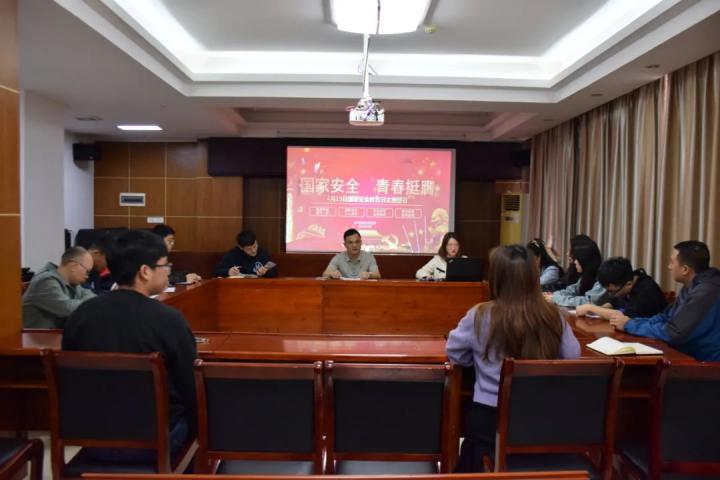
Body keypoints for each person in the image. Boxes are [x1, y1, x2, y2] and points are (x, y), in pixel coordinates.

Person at [62, 229, 197, 461]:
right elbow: (190, 386)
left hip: (92, 438)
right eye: (165, 266)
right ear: (145, 271)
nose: (168, 271)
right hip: (156, 440)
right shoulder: (169, 320)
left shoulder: (80, 316)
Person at [446, 245, 580, 472]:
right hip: (545, 419)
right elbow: (572, 357)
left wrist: (479, 360)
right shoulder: (554, 315)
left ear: (495, 278)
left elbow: (454, 353)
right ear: (533, 278)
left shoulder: (480, 314)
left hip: (490, 422)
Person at [608, 241, 720, 361]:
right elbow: (665, 317)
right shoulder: (692, 285)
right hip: (685, 354)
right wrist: (630, 322)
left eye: (672, 262)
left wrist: (629, 325)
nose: (669, 267)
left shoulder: (706, 291)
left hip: (705, 363)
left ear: (685, 269)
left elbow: (673, 333)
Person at [22, 247, 96, 328]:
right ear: (74, 266)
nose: (87, 276)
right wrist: (90, 303)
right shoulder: (45, 281)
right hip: (32, 335)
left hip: (51, 334)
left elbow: (90, 295)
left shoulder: (72, 282)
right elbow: (67, 309)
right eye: (87, 272)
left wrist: (90, 302)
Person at [576, 257, 666, 319]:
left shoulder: (647, 290)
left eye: (612, 292)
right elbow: (614, 302)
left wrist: (591, 308)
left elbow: (625, 317)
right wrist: (600, 309)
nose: (610, 295)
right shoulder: (627, 280)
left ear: (629, 284)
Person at [546, 238, 606, 307]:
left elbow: (588, 302)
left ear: (584, 259)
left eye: (576, 258)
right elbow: (571, 290)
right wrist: (554, 295)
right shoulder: (585, 276)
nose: (574, 262)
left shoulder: (602, 279)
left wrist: (556, 299)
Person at [213, 230, 277, 278]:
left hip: (258, 286)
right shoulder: (233, 254)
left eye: (254, 246)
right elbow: (217, 271)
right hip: (239, 286)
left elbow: (274, 271)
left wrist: (266, 271)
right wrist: (228, 271)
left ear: (256, 241)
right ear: (241, 247)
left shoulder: (262, 252)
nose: (253, 251)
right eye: (249, 249)